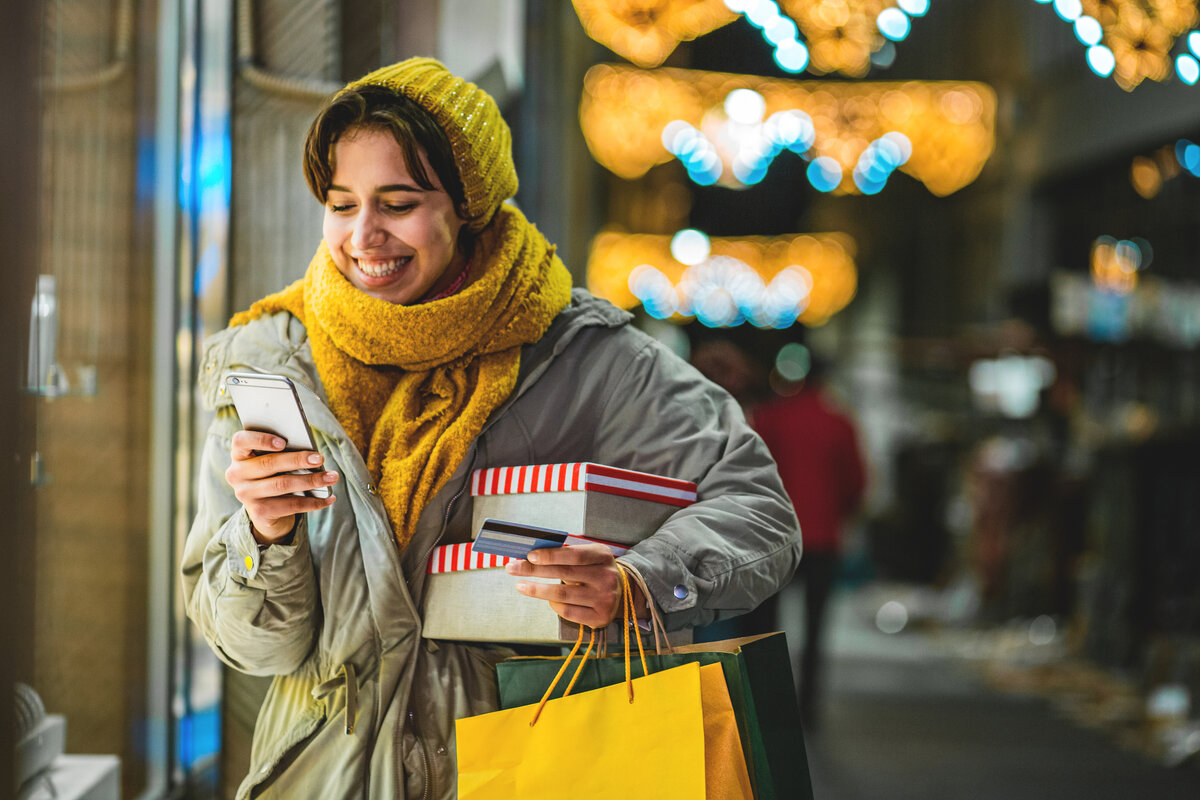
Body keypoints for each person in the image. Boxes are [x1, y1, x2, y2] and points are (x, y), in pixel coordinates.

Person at [180, 57, 800, 799]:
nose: (364, 237)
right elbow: (258, 647)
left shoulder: (587, 357)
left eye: (398, 203)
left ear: (467, 205)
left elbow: (760, 512)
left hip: (533, 769)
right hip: (323, 780)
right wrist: (265, 535)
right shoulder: (275, 361)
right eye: (342, 205)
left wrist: (640, 582)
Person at [751, 354, 866, 730]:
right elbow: (857, 482)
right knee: (816, 627)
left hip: (775, 538)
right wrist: (838, 515)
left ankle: (767, 700)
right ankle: (809, 708)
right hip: (822, 539)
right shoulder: (840, 423)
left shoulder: (772, 417)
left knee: (766, 628)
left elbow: (748, 475)